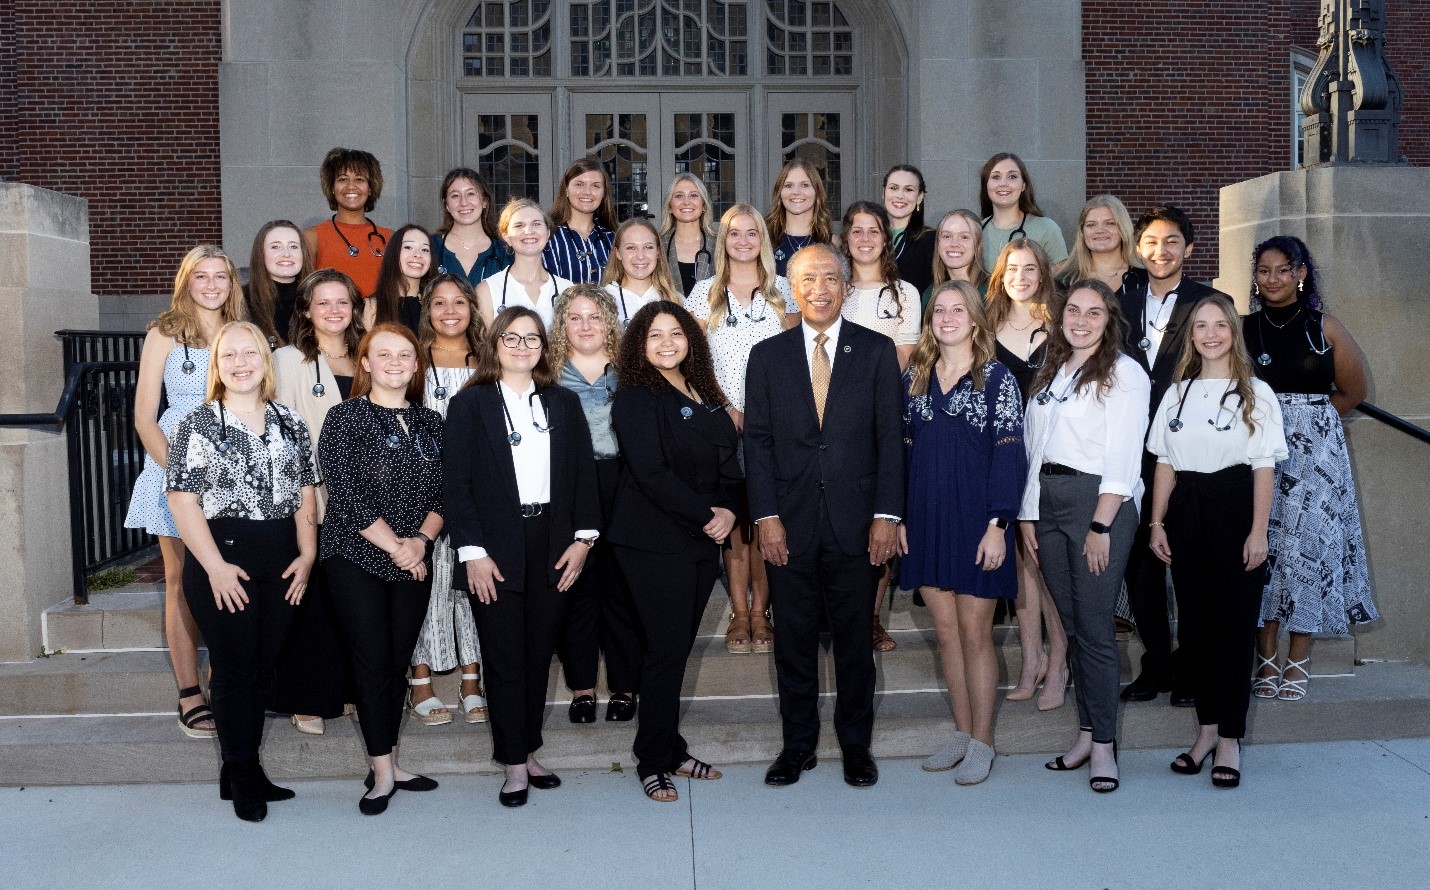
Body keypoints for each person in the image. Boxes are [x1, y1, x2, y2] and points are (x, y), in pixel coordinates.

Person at [745, 243, 905, 789]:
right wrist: (765, 516)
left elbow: (891, 441)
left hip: (858, 525)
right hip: (787, 525)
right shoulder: (767, 356)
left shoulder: (878, 351)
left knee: (856, 642)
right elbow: (759, 444)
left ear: (845, 287)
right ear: (792, 287)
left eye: (831, 278)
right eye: (809, 278)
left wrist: (887, 516)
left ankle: (856, 747)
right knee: (791, 642)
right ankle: (798, 746)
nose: (820, 288)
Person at [442, 307, 600, 807]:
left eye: (532, 339)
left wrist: (583, 540)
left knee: (537, 658)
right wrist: (473, 552)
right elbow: (456, 486)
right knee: (505, 657)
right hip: (494, 548)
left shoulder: (562, 403)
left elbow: (582, 476)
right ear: (494, 343)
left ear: (543, 348)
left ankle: (528, 750)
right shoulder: (469, 406)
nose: (521, 346)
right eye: (511, 337)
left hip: (553, 543)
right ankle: (512, 763)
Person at [166, 321, 317, 821]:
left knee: (261, 667)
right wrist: (214, 567)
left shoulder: (290, 421)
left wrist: (307, 554)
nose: (240, 362)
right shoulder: (197, 423)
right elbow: (182, 502)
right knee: (234, 670)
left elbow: (305, 493)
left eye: (249, 353)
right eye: (228, 355)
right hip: (222, 555)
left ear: (265, 362)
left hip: (281, 557)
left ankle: (239, 769)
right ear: (216, 365)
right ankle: (245, 774)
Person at [1148, 295, 1287, 788]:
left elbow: (1264, 467)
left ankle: (1230, 737)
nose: (1210, 334)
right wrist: (1158, 523)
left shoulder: (1256, 393)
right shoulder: (1176, 393)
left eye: (1219, 325)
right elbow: (1164, 461)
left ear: (1233, 331)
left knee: (1233, 627)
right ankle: (1206, 730)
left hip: (1235, 508)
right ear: (1191, 336)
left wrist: (1258, 532)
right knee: (1197, 628)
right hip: (1186, 510)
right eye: (1200, 326)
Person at [608, 301, 742, 801]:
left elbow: (729, 458)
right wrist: (711, 516)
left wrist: (728, 508)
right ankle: (653, 759)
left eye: (676, 334)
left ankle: (670, 746)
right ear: (639, 345)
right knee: (664, 651)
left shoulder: (705, 390)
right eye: (654, 336)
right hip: (652, 540)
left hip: (700, 538)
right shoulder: (635, 398)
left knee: (677, 649)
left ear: (691, 340)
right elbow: (651, 473)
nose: (667, 343)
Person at [1021, 280, 1149, 793]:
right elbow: (1037, 447)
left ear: (1109, 319)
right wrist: (1029, 513)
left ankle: (1104, 749)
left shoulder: (1124, 373)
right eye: (1073, 310)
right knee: (1072, 626)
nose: (1080, 319)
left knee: (1095, 628)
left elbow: (1123, 455)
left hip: (1098, 504)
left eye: (1093, 312)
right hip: (1048, 503)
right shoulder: (1053, 369)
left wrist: (1101, 524)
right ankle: (1086, 733)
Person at [319, 323, 445, 815]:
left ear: (417, 366)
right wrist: (397, 546)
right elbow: (345, 494)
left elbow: (446, 494)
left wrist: (421, 542)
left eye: (405, 355)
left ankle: (390, 760)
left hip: (414, 558)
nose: (395, 362)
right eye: (383, 354)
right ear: (366, 363)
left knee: (394, 663)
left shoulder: (434, 424)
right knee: (372, 661)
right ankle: (382, 774)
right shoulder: (344, 418)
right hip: (355, 557)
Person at [903, 281, 1026, 785]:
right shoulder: (914, 376)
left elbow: (1010, 457)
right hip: (927, 518)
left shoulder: (997, 378)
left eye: (959, 310)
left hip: (979, 522)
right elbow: (904, 452)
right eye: (940, 310)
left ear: (976, 320)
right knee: (947, 636)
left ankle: (983, 742)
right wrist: (901, 518)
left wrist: (998, 526)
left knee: (976, 635)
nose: (948, 318)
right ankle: (959, 733)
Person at [1244, 236, 1376, 702]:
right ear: (1255, 278)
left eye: (1284, 269)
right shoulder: (1243, 330)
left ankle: (1297, 660)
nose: (1273, 278)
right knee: (1263, 553)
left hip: (1315, 458)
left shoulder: (1326, 327)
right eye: (1264, 270)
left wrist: (1309, 423)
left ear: (1301, 273)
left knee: (1307, 555)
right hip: (1256, 455)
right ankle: (1265, 659)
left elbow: (1354, 390)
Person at [124, 245, 247, 740]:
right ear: (186, 282)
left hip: (236, 469)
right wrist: (180, 478)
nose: (212, 284)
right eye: (202, 276)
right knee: (181, 578)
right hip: (175, 465)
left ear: (232, 283)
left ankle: (227, 682)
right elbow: (143, 417)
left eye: (221, 276)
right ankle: (189, 692)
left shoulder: (242, 333)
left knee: (227, 575)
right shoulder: (165, 333)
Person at [1118, 205, 1231, 706]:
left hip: (1190, 453)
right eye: (1150, 243)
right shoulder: (1120, 297)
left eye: (1171, 242)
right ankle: (1157, 663)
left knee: (1190, 565)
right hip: (1129, 449)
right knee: (1140, 567)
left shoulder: (1213, 302)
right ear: (1137, 248)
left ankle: (1193, 668)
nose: (1159, 252)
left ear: (1189, 248)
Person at [683, 203, 798, 656]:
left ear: (763, 241)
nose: (744, 241)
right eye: (735, 234)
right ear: (723, 240)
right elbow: (691, 360)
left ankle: (762, 612)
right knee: (733, 525)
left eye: (752, 234)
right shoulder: (705, 294)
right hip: (722, 423)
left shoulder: (784, 292)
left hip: (775, 427)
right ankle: (738, 612)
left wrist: (769, 413)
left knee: (767, 518)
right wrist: (726, 405)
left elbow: (796, 360)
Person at [271, 269, 364, 735]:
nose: (333, 311)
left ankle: (341, 691)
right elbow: (282, 436)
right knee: (309, 603)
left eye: (342, 302)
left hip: (365, 504)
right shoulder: (288, 361)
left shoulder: (367, 357)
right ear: (306, 310)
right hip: (309, 499)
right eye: (322, 303)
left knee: (348, 603)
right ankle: (306, 697)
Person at [548, 285, 642, 724]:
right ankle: (582, 688)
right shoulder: (547, 373)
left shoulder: (632, 370)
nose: (585, 326)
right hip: (567, 488)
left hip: (623, 484)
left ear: (609, 321)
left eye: (594, 316)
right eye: (575, 317)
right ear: (562, 325)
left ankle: (625, 687)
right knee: (577, 589)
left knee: (622, 591)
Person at [984, 238, 1069, 710]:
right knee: (1018, 569)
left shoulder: (1060, 327)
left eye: (1030, 268)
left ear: (1043, 274)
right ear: (1001, 275)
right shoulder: (987, 327)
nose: (1021, 276)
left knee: (1046, 563)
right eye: (1012, 268)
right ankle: (1030, 659)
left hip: (1049, 456)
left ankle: (1058, 662)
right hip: (1002, 456)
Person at [407, 275, 490, 727]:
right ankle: (419, 677)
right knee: (428, 582)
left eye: (459, 302)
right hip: (422, 490)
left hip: (475, 489)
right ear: (428, 310)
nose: (450, 310)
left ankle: (471, 677)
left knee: (470, 582)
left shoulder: (488, 362)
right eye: (439, 303)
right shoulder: (414, 360)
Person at [838, 200, 920, 654]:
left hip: (882, 415)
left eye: (874, 231)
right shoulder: (836, 287)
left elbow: (903, 357)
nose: (865, 238)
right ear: (845, 238)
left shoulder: (903, 293)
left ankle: (871, 618)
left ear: (885, 239)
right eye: (857, 231)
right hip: (830, 416)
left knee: (880, 517)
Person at [303, 147, 390, 297]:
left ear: (370, 188)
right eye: (343, 179)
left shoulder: (390, 238)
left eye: (359, 179)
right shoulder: (312, 237)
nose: (351, 186)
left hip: (380, 318)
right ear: (332, 188)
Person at [476, 198, 574, 330]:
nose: (528, 231)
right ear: (506, 236)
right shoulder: (488, 291)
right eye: (519, 225)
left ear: (547, 233)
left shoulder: (568, 290)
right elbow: (485, 348)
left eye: (536, 224)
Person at [978, 152, 1068, 272]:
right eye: (996, 177)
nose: (1003, 183)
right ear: (986, 186)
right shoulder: (975, 232)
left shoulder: (1046, 229)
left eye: (1012, 176)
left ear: (1024, 185)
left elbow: (1062, 281)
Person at [431, 167, 510, 286]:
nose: (464, 202)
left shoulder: (504, 253)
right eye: (455, 196)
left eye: (470, 194)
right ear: (446, 205)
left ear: (485, 201)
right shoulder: (430, 248)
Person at [543, 158, 617, 284]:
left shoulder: (613, 238)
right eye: (579, 184)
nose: (587, 192)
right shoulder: (547, 237)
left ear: (604, 193)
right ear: (566, 189)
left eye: (596, 186)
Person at [1055, 195, 1144, 299]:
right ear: (1082, 232)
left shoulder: (1144, 279)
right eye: (1091, 225)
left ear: (1123, 228)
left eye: (1110, 223)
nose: (1100, 230)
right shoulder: (1065, 281)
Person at [602, 218, 680, 328]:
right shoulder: (603, 299)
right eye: (631, 248)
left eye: (648, 247)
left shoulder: (676, 300)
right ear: (618, 253)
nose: (640, 256)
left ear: (658, 252)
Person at [244, 220, 312, 347]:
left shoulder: (317, 299)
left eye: (293, 246)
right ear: (261, 254)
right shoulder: (242, 300)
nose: (286, 254)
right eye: (275, 247)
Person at [766, 159, 832, 277]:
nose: (796, 192)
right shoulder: (764, 241)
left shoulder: (832, 244)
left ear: (817, 192)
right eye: (788, 185)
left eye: (805, 185)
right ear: (779, 193)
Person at [365, 224, 435, 332]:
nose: (418, 254)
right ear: (394, 253)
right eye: (408, 247)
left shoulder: (435, 305)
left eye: (425, 249)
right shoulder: (371, 307)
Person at [659, 172, 716, 297]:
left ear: (704, 206)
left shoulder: (719, 245)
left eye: (693, 195)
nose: (686, 202)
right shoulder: (658, 246)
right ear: (669, 207)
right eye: (679, 196)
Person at [883, 165, 936, 294]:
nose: (900, 195)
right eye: (894, 188)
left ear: (919, 197)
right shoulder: (870, 237)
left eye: (908, 190)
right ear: (883, 192)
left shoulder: (931, 240)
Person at [926, 209, 990, 311]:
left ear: (977, 245)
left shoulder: (992, 293)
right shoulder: (929, 295)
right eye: (947, 236)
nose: (954, 243)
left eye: (964, 237)